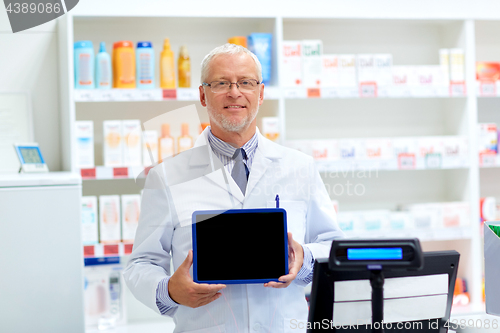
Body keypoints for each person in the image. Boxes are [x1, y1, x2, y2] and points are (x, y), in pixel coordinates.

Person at [123, 43, 344, 333]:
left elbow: (334, 247)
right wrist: (170, 290)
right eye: (221, 83)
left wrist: (304, 259)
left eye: (246, 82)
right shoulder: (167, 176)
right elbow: (142, 262)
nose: (235, 92)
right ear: (203, 95)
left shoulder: (299, 167)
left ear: (261, 93)